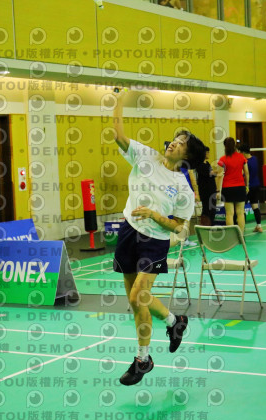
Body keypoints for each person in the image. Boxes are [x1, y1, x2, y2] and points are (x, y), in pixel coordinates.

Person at [112, 89, 206, 386]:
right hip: (129, 231)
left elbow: (178, 227)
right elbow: (118, 135)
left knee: (137, 295)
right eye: (175, 139)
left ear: (187, 156)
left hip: (154, 241)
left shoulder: (182, 188)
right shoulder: (145, 156)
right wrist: (118, 100)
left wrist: (154, 215)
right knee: (136, 303)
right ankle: (162, 336)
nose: (173, 142)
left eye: (181, 143)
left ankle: (157, 342)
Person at [218, 137, 249, 234]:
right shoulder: (241, 157)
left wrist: (218, 190)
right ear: (235, 145)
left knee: (229, 214)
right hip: (240, 187)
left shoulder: (222, 159)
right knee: (240, 213)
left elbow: (219, 175)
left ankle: (231, 236)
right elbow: (246, 172)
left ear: (225, 146)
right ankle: (241, 235)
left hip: (227, 189)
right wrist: (247, 186)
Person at [239, 144, 263, 233]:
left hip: (247, 187)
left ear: (243, 152)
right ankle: (259, 226)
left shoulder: (245, 162)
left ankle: (242, 227)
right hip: (256, 185)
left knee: (241, 208)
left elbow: (244, 174)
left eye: (240, 152)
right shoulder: (255, 159)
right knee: (255, 206)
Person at [195, 147, 218, 226]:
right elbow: (209, 173)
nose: (208, 154)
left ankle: (211, 224)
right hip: (205, 191)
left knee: (213, 209)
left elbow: (212, 174)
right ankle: (205, 226)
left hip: (212, 190)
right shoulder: (199, 164)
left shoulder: (207, 163)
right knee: (207, 209)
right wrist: (217, 172)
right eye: (207, 152)